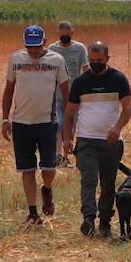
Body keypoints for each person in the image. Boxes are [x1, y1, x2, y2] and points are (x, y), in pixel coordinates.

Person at [62, 41, 131, 239]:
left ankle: (105, 222)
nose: (95, 64)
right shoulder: (80, 82)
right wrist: (67, 139)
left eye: (99, 61)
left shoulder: (118, 79)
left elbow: (128, 107)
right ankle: (88, 218)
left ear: (107, 59)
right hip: (86, 141)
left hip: (111, 143)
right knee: (89, 180)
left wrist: (117, 128)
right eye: (92, 61)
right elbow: (69, 114)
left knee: (108, 185)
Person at [2, 25, 71, 225]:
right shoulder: (15, 59)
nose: (33, 51)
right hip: (21, 124)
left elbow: (67, 93)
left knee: (49, 168)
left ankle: (47, 189)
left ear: (45, 42)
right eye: (29, 47)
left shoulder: (56, 61)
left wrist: (69, 124)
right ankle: (33, 213)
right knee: (27, 169)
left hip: (47, 123)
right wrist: (5, 119)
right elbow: (8, 90)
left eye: (37, 47)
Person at [48, 20, 88, 166]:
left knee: (70, 126)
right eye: (62, 36)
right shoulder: (52, 48)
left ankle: (65, 157)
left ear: (72, 33)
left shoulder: (80, 48)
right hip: (56, 94)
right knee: (58, 126)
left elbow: (85, 69)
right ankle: (58, 157)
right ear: (58, 34)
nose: (65, 38)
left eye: (67, 36)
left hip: (74, 96)